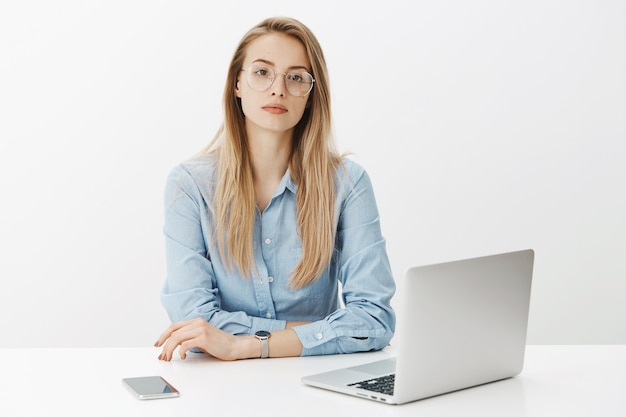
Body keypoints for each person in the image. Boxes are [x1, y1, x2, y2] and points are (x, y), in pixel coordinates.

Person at [154, 16, 395, 361]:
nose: (278, 89)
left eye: (296, 77)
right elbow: (192, 320)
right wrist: (318, 332)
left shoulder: (348, 183)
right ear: (237, 84)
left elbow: (373, 320)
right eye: (262, 72)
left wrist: (245, 345)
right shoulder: (190, 186)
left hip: (313, 382)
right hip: (219, 384)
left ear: (311, 95)